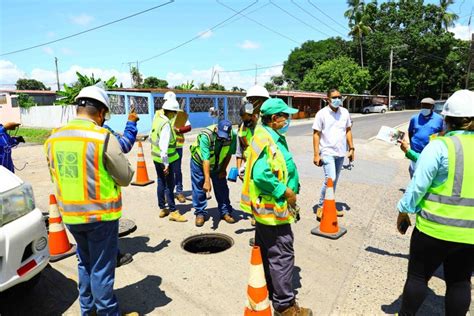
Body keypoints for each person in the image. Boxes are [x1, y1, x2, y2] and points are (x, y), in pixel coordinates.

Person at [44, 85, 134, 315]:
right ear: (101, 112)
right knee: (102, 270)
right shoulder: (102, 137)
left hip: (71, 216)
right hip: (101, 216)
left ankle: (88, 310)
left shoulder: (54, 138)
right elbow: (124, 177)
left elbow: (54, 173)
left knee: (85, 264)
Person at [396, 89, 474, 316]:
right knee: (459, 283)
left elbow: (418, 185)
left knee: (418, 278)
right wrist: (410, 153)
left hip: (432, 229)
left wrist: (403, 210)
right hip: (469, 234)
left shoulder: (440, 146)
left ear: (446, 120)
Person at [241, 98, 312, 315]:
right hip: (273, 210)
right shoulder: (265, 140)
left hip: (267, 211)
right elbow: (261, 175)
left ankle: (272, 290)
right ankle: (285, 306)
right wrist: (286, 192)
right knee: (282, 255)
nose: (288, 120)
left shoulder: (269, 135)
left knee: (268, 252)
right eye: (285, 116)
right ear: (274, 119)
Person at [104, 108, 139, 268]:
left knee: (85, 258)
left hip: (71, 210)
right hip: (100, 203)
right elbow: (124, 145)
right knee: (102, 264)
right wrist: (131, 123)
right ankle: (113, 257)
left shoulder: (60, 134)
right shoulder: (102, 134)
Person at [312, 88, 354, 220]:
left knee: (334, 182)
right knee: (330, 179)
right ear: (328, 99)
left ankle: (330, 206)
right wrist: (316, 154)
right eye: (334, 97)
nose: (337, 99)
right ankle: (321, 206)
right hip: (327, 152)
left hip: (341, 152)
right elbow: (316, 134)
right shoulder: (321, 114)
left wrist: (352, 148)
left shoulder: (345, 113)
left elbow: (348, 131)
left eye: (339, 97)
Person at [190, 119, 237, 227]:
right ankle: (200, 213)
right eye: (220, 135)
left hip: (218, 164)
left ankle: (225, 211)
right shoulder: (206, 136)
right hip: (199, 162)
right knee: (199, 186)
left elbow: (229, 154)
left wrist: (223, 169)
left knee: (222, 187)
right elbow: (205, 159)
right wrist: (207, 181)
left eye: (224, 136)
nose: (222, 138)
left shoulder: (232, 136)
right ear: (216, 129)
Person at [150, 98, 187, 222]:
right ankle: (172, 211)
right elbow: (164, 146)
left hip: (156, 157)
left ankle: (162, 208)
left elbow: (151, 137)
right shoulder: (166, 124)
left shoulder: (157, 119)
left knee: (161, 182)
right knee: (169, 185)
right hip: (166, 159)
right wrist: (166, 163)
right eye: (175, 113)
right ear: (170, 112)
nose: (175, 115)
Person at [162, 92, 192, 204]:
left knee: (177, 170)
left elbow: (189, 127)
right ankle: (167, 193)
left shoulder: (180, 114)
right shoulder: (162, 114)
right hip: (166, 147)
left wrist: (179, 130)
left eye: (165, 100)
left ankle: (179, 191)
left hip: (177, 146)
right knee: (166, 170)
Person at [407, 97, 444, 177]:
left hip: (431, 152)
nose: (424, 108)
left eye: (427, 106)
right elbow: (410, 132)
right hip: (415, 151)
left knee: (427, 174)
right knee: (414, 172)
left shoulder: (439, 119)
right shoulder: (414, 118)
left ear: (432, 107)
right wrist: (411, 145)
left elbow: (443, 133)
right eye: (423, 106)